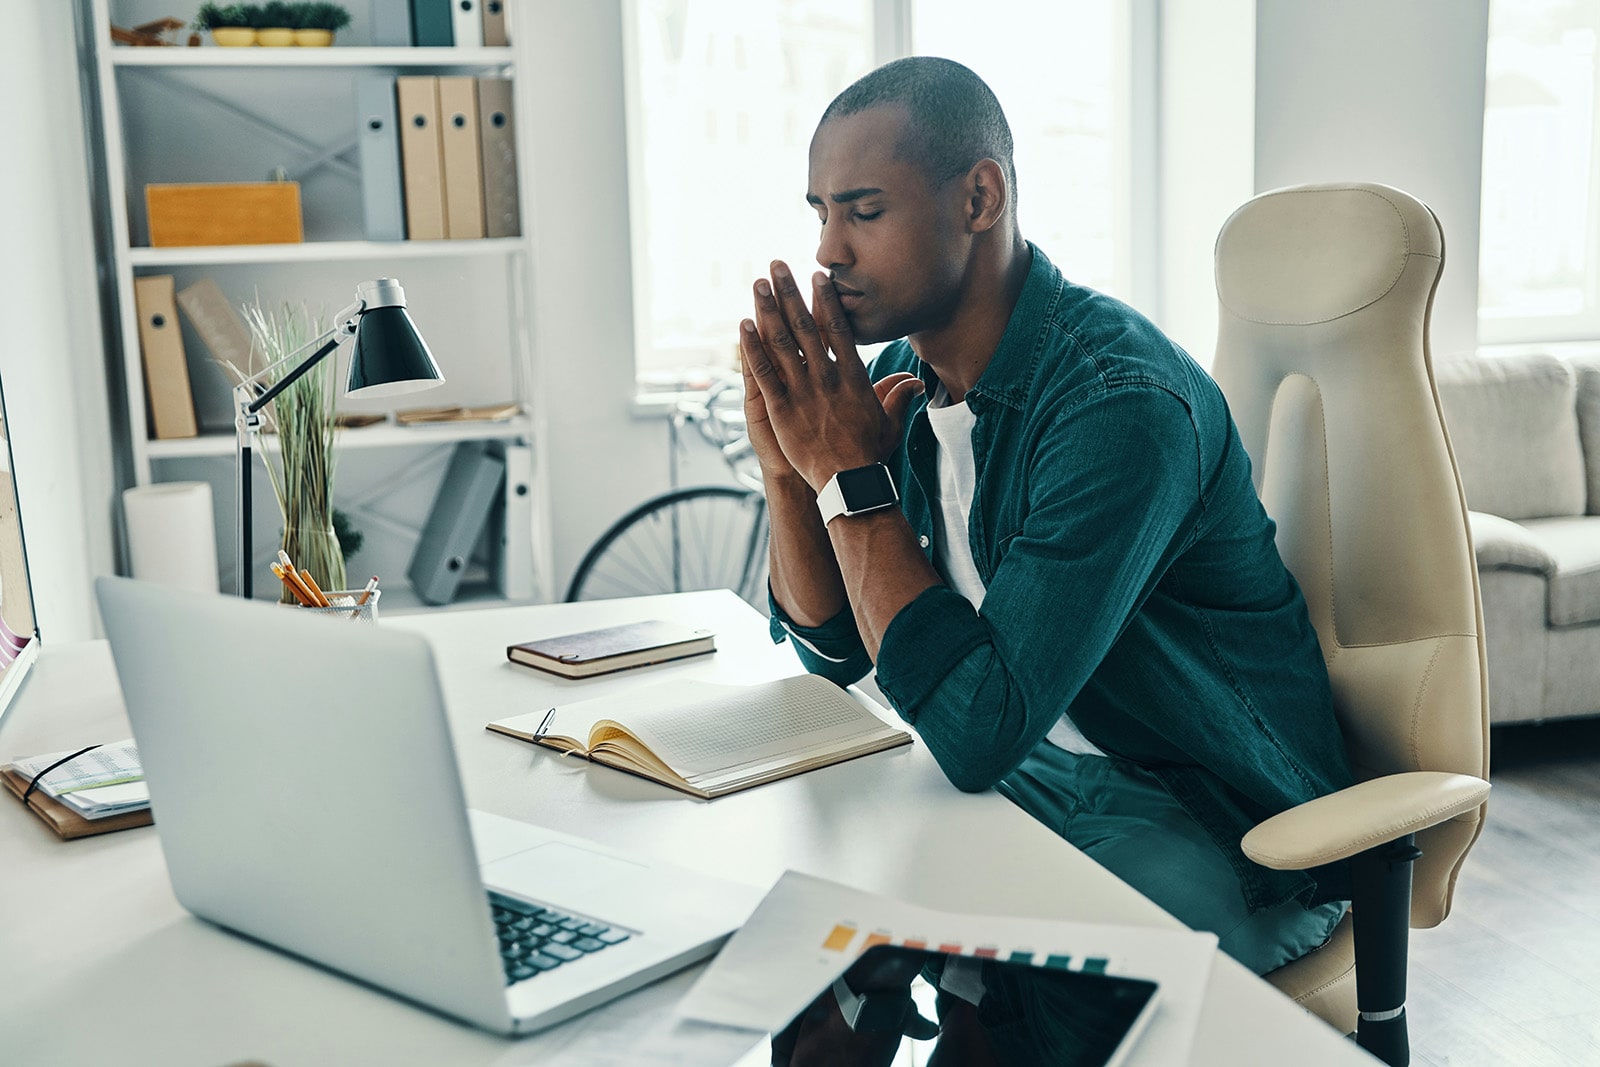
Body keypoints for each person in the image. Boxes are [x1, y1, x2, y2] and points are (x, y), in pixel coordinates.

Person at [738, 54, 1352, 1020]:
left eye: (862, 212)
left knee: (992, 994)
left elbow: (980, 729)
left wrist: (854, 484)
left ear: (979, 196)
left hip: (1211, 825)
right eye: (819, 213)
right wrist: (794, 473)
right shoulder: (903, 375)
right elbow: (835, 652)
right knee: (804, 953)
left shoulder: (1118, 405)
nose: (827, 253)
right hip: (1033, 780)